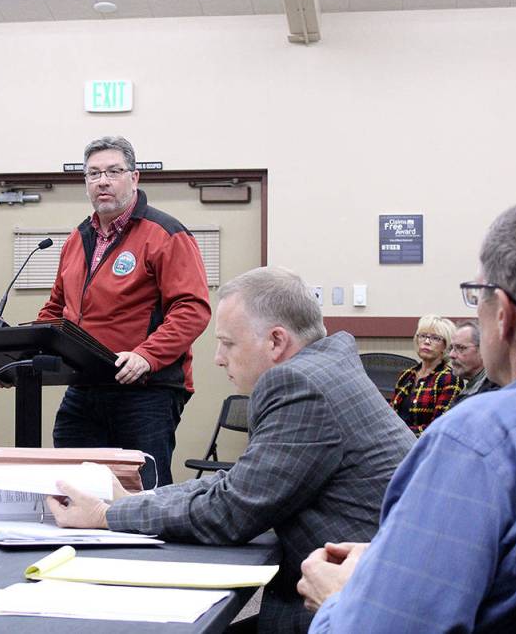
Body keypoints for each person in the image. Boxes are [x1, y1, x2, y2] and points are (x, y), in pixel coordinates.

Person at [298, 193, 516, 633]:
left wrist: (338, 599)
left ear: (504, 316)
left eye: (478, 295)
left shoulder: (477, 443)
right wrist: (390, 564)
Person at [46, 266, 415, 632]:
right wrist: (131, 501)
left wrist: (104, 514)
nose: (218, 358)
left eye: (227, 342)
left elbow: (229, 511)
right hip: (374, 597)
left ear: (275, 341)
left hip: (352, 613)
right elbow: (238, 483)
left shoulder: (299, 384)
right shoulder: (325, 369)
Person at [36, 136, 211, 487]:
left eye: (114, 171)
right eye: (93, 174)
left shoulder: (165, 234)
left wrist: (147, 355)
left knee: (142, 491)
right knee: (74, 486)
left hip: (145, 388)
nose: (103, 181)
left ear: (134, 178)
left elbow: (192, 308)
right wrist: (21, 354)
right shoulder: (76, 239)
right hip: (85, 386)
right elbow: (57, 309)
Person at [389, 314, 462, 434]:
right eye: (423, 336)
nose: (427, 342)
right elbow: (391, 416)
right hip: (395, 442)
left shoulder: (450, 379)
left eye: (435, 338)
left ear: (446, 345)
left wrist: (398, 434)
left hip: (424, 446)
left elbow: (438, 428)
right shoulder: (406, 375)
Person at [448, 319, 499, 407]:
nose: (451, 355)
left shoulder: (493, 392)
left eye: (460, 348)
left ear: (483, 349)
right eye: (451, 348)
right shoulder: (473, 387)